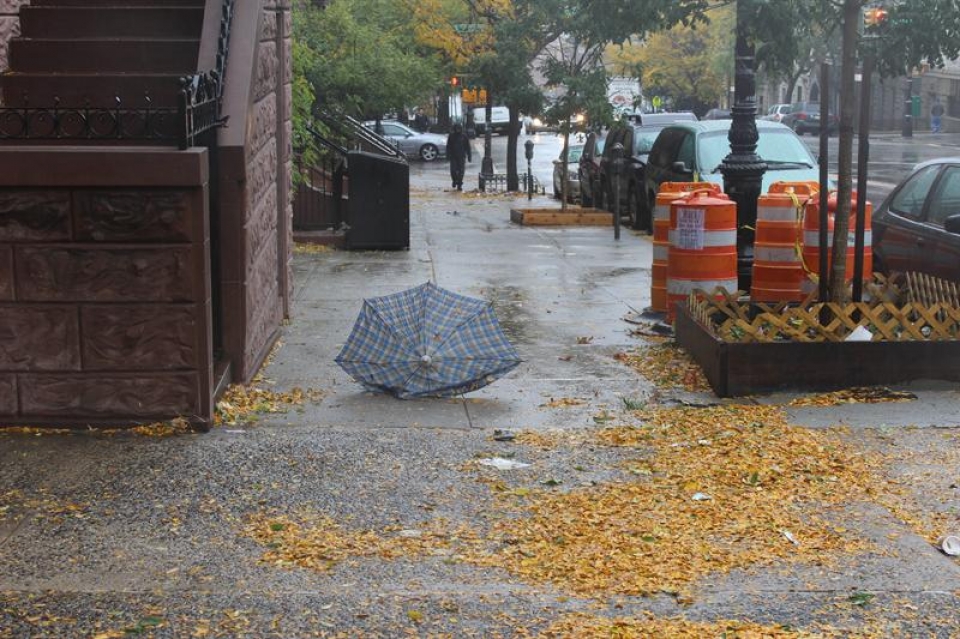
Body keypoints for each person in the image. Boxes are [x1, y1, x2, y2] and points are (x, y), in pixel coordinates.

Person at [446, 123, 472, 191]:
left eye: (459, 129)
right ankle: (454, 180)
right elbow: (448, 146)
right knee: (453, 170)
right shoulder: (451, 136)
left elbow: (468, 147)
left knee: (461, 171)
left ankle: (460, 184)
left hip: (461, 156)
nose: (458, 130)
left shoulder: (464, 136)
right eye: (456, 129)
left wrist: (469, 156)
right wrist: (448, 155)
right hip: (453, 156)